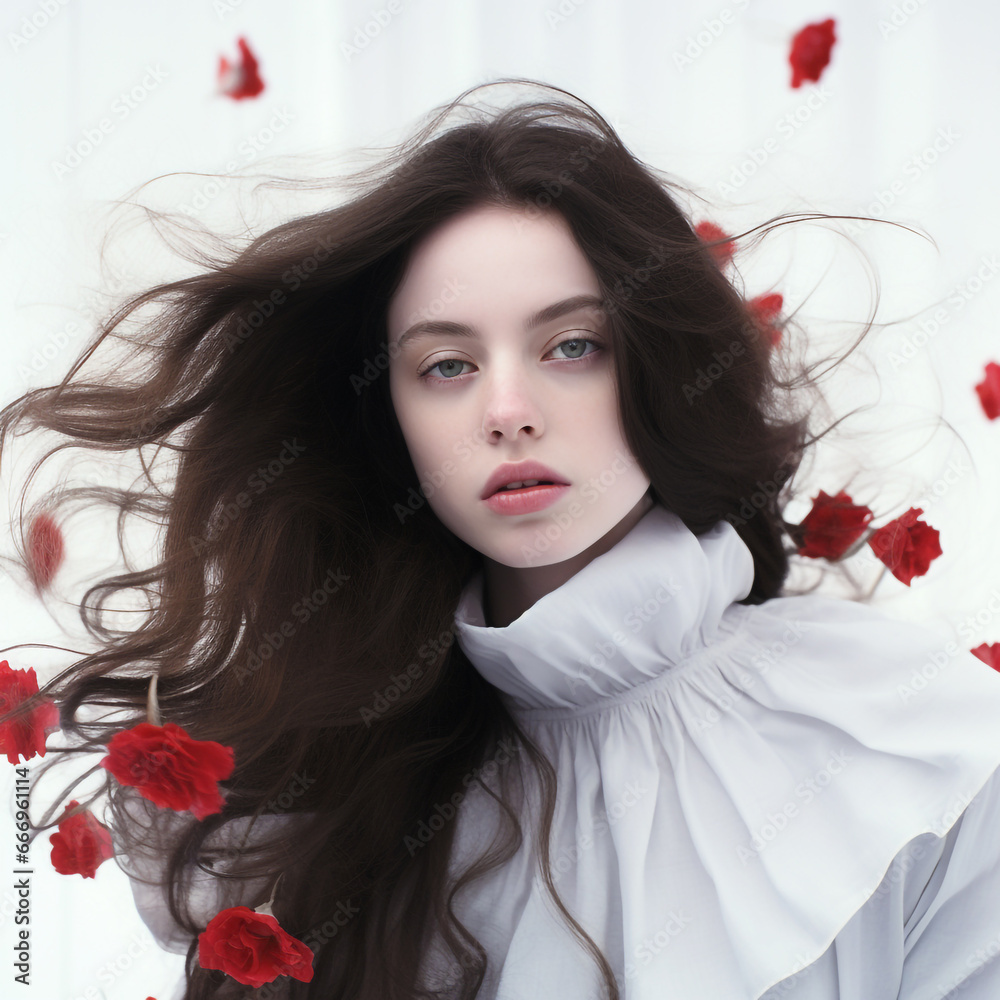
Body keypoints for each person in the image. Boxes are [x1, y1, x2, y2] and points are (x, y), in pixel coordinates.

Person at [2, 78, 1000, 1000]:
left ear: (656, 362)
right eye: (446, 365)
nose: (508, 409)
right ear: (384, 413)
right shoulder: (318, 792)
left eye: (572, 345)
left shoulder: (912, 733)